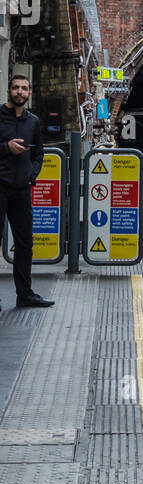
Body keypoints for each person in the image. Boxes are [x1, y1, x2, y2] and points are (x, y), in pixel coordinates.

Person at [0, 75, 54, 310]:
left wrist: (32, 175)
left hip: (21, 190)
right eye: (15, 88)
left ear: (29, 93)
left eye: (23, 88)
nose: (19, 92)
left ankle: (25, 294)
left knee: (25, 243)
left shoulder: (33, 122)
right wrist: (6, 148)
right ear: (9, 91)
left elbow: (39, 153)